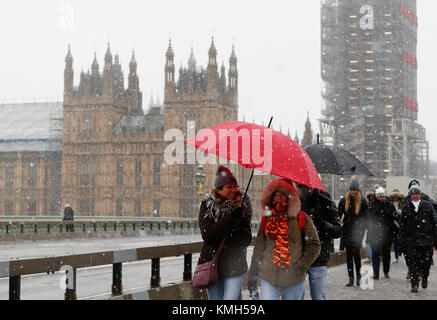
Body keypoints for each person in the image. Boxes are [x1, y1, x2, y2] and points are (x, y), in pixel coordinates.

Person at [247, 179, 320, 300]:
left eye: (282, 194)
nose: (278, 197)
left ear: (290, 197)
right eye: (275, 194)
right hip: (268, 274)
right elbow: (259, 249)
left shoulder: (301, 218)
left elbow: (315, 245)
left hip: (293, 276)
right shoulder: (267, 220)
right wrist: (252, 275)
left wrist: (300, 266)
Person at [197, 165, 252, 300]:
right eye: (229, 187)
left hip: (234, 263)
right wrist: (231, 217)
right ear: (219, 189)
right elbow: (208, 235)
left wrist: (241, 219)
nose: (234, 190)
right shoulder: (206, 205)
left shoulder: (241, 206)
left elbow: (246, 239)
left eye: (235, 186)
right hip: (212, 263)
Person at [296, 184, 342, 300]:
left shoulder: (325, 200)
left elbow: (337, 231)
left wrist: (322, 223)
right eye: (299, 186)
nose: (301, 188)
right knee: (296, 296)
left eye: (304, 186)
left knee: (317, 296)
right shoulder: (294, 200)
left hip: (319, 257)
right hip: (298, 258)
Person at [399, 185, 437, 293]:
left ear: (420, 195)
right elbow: (402, 226)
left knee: (426, 263)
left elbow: (434, 223)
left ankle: (424, 277)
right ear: (410, 195)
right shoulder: (406, 207)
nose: (415, 196)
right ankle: (414, 284)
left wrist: (434, 237)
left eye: (417, 194)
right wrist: (402, 240)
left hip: (425, 240)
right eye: (413, 194)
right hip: (411, 241)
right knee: (413, 263)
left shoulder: (428, 206)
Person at [338, 179, 368, 287]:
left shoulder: (363, 201)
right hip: (347, 231)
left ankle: (359, 277)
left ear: (358, 190)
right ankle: (350, 278)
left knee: (356, 255)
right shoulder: (344, 201)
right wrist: (338, 225)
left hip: (358, 232)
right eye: (351, 190)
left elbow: (366, 218)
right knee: (349, 256)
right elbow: (338, 215)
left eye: (354, 190)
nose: (352, 192)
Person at [367, 187, 396, 279]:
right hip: (375, 232)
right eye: (379, 197)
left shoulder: (390, 205)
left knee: (386, 253)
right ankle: (376, 273)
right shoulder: (371, 205)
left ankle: (386, 271)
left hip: (387, 232)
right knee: (375, 253)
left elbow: (393, 218)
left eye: (382, 196)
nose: (381, 198)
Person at [389, 189, 405, 263]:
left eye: (396, 196)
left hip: (400, 225)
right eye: (394, 196)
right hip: (393, 225)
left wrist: (400, 213)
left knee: (399, 241)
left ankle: (400, 255)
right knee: (395, 242)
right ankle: (396, 257)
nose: (395, 198)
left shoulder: (402, 204)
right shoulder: (390, 203)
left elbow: (404, 213)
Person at [364, 191, 375, 264]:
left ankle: (372, 256)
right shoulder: (367, 204)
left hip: (374, 225)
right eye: (369, 197)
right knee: (368, 241)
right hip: (369, 225)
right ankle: (370, 256)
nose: (371, 198)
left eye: (372, 196)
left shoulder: (375, 204)